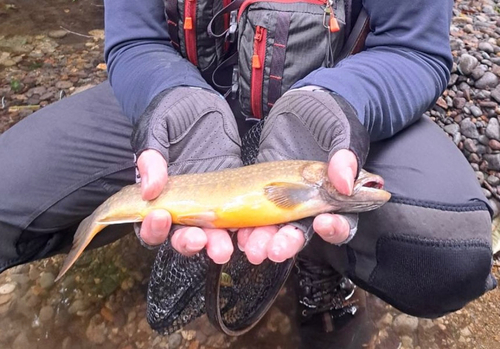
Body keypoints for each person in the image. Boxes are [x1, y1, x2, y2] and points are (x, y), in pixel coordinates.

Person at [0, 0, 496, 348]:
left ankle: (318, 258)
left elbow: (414, 50)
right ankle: (137, 214)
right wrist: (172, 100)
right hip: (183, 102)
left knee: (447, 254)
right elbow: (135, 42)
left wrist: (337, 106)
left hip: (334, 116)